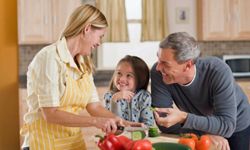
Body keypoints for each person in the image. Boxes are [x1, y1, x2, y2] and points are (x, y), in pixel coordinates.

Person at [20, 4, 138, 150]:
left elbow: (93, 106)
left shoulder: (83, 63)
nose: (99, 43)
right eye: (100, 36)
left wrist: (120, 121)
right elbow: (50, 114)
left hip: (72, 144)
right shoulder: (49, 58)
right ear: (87, 29)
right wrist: (96, 122)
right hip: (43, 143)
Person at [151, 32, 250, 150]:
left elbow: (227, 125)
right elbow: (165, 123)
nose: (158, 67)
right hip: (201, 126)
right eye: (158, 59)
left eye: (165, 64)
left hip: (236, 123)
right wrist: (205, 133)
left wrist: (184, 118)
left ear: (187, 65)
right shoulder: (159, 74)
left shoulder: (217, 71)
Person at [104, 55, 155, 127]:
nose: (121, 79)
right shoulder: (110, 96)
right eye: (119, 73)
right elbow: (114, 125)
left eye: (129, 75)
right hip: (117, 136)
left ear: (140, 79)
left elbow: (148, 124)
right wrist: (114, 100)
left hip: (138, 135)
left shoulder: (144, 97)